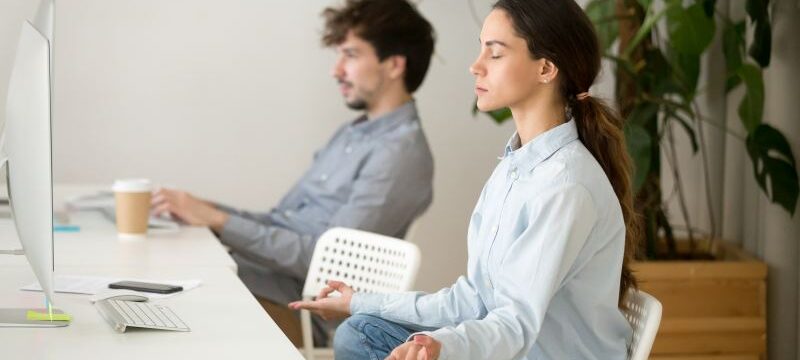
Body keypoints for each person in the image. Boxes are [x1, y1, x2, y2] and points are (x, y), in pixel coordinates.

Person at [289, 0, 640, 359]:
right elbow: (472, 298)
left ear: (546, 68)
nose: (476, 66)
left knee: (361, 338)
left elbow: (515, 324)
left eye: (495, 53)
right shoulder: (515, 167)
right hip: (511, 345)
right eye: (480, 49)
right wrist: (360, 301)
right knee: (361, 330)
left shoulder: (566, 185)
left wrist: (444, 346)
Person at [151, 0, 436, 347]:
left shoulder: (400, 156)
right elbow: (281, 221)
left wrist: (218, 221)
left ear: (393, 65)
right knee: (152, 280)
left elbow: (329, 265)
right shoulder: (352, 134)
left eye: (350, 55)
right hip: (260, 281)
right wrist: (205, 211)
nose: (336, 70)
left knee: (168, 311)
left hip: (300, 314)